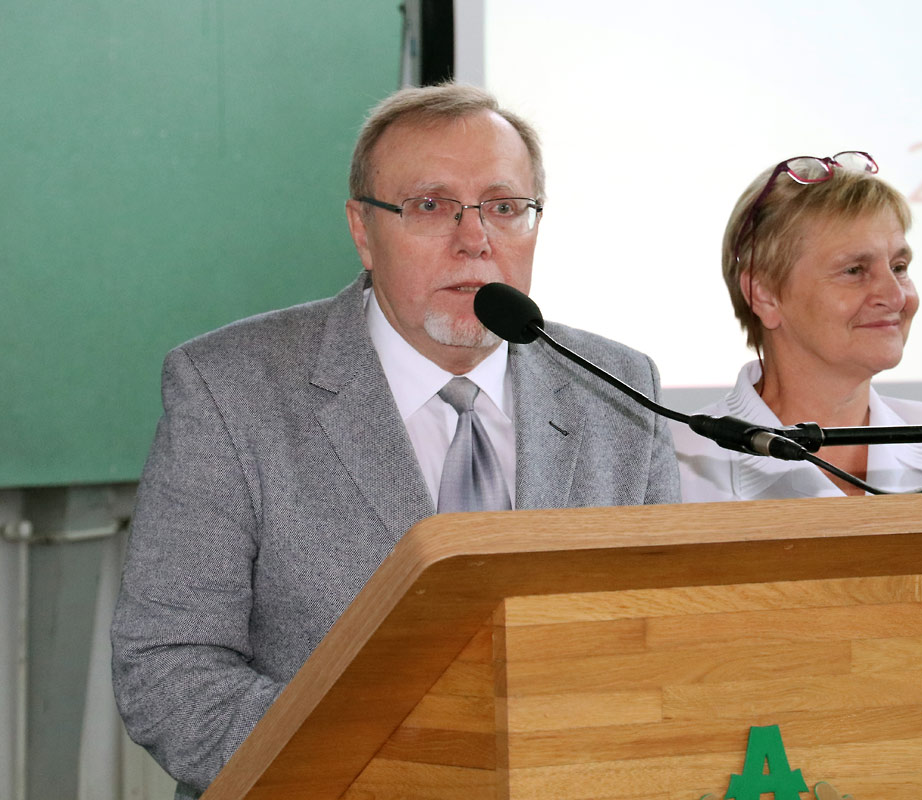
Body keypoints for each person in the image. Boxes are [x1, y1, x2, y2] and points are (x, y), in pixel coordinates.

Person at [110, 84, 680, 799]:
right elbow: (169, 666)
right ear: (362, 230)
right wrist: (394, 771)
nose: (475, 240)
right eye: (432, 206)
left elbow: (660, 644)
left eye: (505, 207)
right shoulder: (229, 389)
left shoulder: (620, 389)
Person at [671, 153, 922, 800]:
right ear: (763, 293)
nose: (895, 295)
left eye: (899, 266)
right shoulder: (679, 463)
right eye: (856, 270)